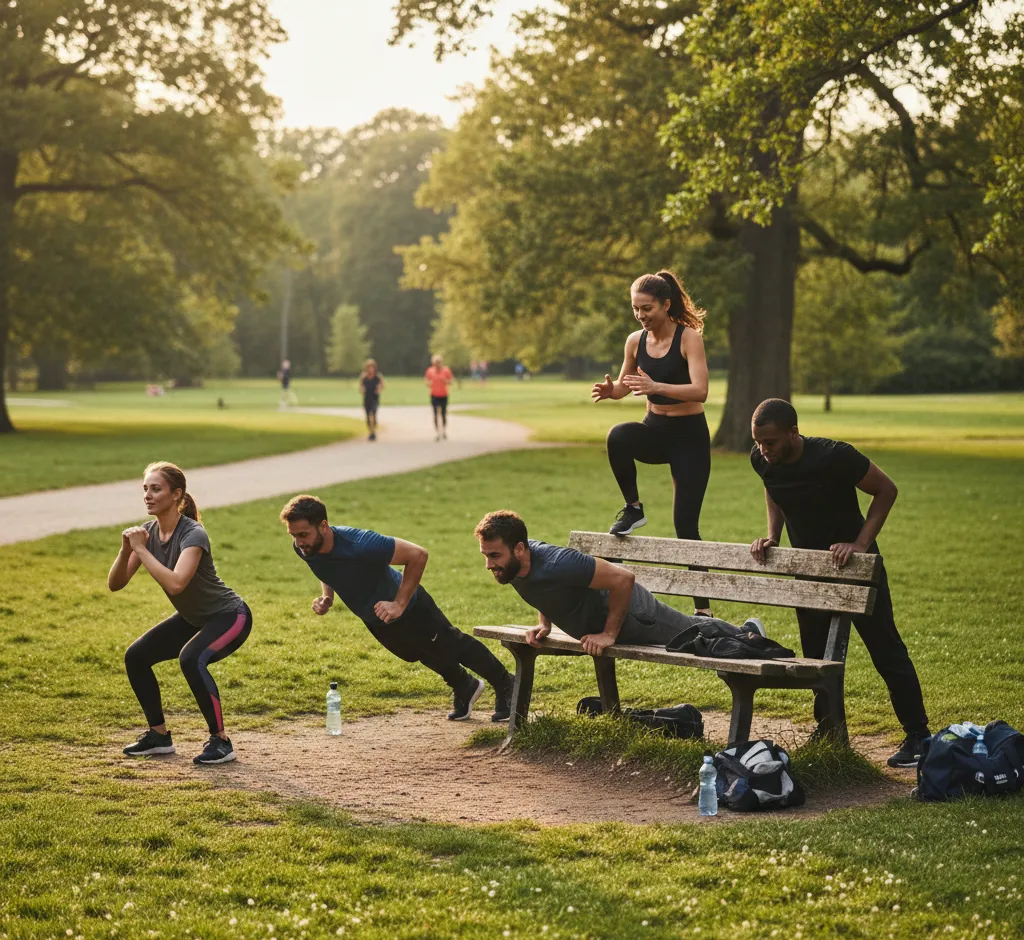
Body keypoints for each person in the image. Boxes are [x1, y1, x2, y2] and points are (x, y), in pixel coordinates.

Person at [748, 398, 930, 768]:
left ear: (793, 433)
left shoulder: (835, 456)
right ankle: (829, 729)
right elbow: (773, 486)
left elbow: (886, 490)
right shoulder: (763, 459)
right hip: (810, 569)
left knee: (886, 649)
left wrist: (860, 544)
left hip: (855, 568)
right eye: (758, 442)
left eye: (770, 442)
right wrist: (772, 535)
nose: (763, 450)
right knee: (817, 657)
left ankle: (918, 735)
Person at [280, 495, 514, 721]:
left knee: (454, 645)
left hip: (411, 607)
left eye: (303, 534)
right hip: (376, 617)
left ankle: (506, 683)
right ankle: (464, 685)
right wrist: (327, 597)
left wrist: (399, 604)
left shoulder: (361, 544)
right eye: (294, 535)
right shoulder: (305, 547)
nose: (299, 542)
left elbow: (418, 555)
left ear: (323, 526)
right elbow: (326, 568)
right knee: (421, 653)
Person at [108, 462, 252, 765]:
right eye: (145, 489)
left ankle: (221, 742)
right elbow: (115, 584)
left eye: (156, 489)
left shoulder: (193, 533)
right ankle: (158, 736)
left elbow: (176, 583)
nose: (148, 495)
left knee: (191, 658)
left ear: (176, 494)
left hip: (229, 616)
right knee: (136, 656)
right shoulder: (148, 533)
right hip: (193, 618)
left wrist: (141, 550)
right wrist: (126, 550)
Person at [474, 510, 763, 655]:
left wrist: (608, 634)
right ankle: (745, 630)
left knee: (691, 633)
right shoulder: (513, 565)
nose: (489, 564)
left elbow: (623, 578)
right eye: (485, 555)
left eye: (494, 555)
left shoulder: (558, 562)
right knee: (690, 630)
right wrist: (544, 624)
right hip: (607, 621)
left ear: (520, 548)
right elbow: (542, 588)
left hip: (635, 613)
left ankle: (748, 632)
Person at [592, 270, 713, 616]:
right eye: (635, 309)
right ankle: (634, 508)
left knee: (686, 526)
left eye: (647, 308)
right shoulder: (635, 341)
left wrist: (657, 387)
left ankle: (703, 609)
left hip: (689, 437)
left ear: (665, 305)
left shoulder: (689, 339)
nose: (641, 315)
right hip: (655, 430)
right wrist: (612, 391)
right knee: (618, 436)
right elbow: (625, 385)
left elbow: (701, 390)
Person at [424, 353, 453, 441]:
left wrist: (446, 381)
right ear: (433, 363)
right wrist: (429, 383)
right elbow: (426, 381)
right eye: (435, 362)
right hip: (434, 395)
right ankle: (437, 432)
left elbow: (451, 381)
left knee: (443, 414)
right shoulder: (430, 371)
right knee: (435, 414)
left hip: (443, 395)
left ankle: (443, 430)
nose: (437, 364)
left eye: (439, 362)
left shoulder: (446, 370)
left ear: (441, 362)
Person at [359, 359, 384, 441]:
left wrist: (379, 389)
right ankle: (370, 431)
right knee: (368, 416)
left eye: (372, 367)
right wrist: (362, 389)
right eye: (369, 367)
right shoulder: (364, 376)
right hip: (367, 398)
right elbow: (361, 386)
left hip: (374, 398)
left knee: (373, 414)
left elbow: (382, 385)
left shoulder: (378, 376)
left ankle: (373, 432)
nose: (371, 369)